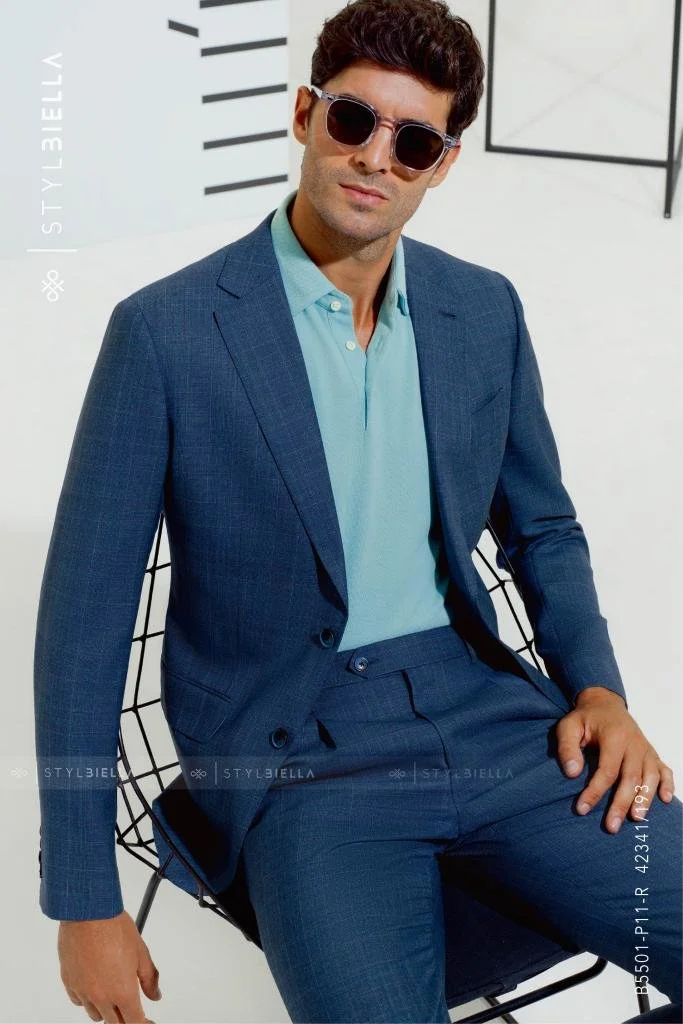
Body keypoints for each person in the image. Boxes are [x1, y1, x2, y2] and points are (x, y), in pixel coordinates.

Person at [34, 1, 681, 1022]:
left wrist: (598, 690)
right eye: (351, 120)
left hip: (493, 722)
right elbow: (83, 623)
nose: (376, 157)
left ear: (441, 165)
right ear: (304, 115)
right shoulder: (167, 333)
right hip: (299, 757)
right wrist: (81, 899)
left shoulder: (482, 310)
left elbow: (542, 528)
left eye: (413, 141)